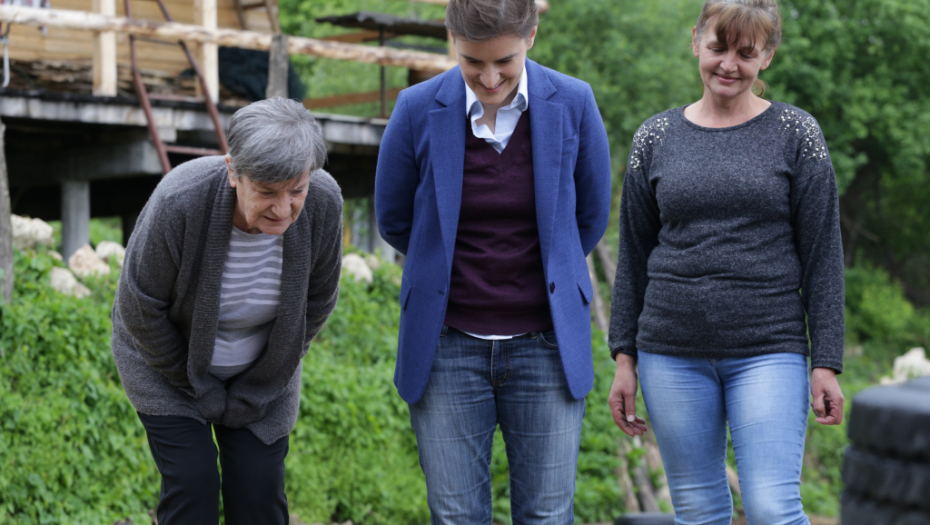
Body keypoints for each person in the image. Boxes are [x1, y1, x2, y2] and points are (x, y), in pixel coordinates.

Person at [607, 0, 845, 523]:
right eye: (718, 48)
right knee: (697, 508)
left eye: (746, 53)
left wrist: (826, 360)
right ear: (696, 40)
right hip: (670, 352)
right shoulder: (655, 137)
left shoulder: (797, 133)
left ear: (768, 56)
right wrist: (624, 357)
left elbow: (823, 255)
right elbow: (634, 255)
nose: (729, 65)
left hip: (768, 349)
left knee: (771, 506)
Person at [374, 0, 612, 522]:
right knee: (456, 515)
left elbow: (591, 215)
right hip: (446, 345)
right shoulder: (416, 108)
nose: (488, 78)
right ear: (452, 40)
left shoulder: (574, 101)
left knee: (547, 515)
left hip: (547, 345)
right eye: (471, 61)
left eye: (504, 61)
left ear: (532, 34)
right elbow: (393, 217)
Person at [111, 97, 343, 525]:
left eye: (296, 190)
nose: (283, 209)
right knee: (193, 481)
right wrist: (200, 388)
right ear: (234, 172)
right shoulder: (180, 199)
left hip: (262, 377)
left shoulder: (324, 202)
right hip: (168, 367)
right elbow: (140, 308)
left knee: (259, 489)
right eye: (267, 192)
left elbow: (318, 302)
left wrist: (263, 381)